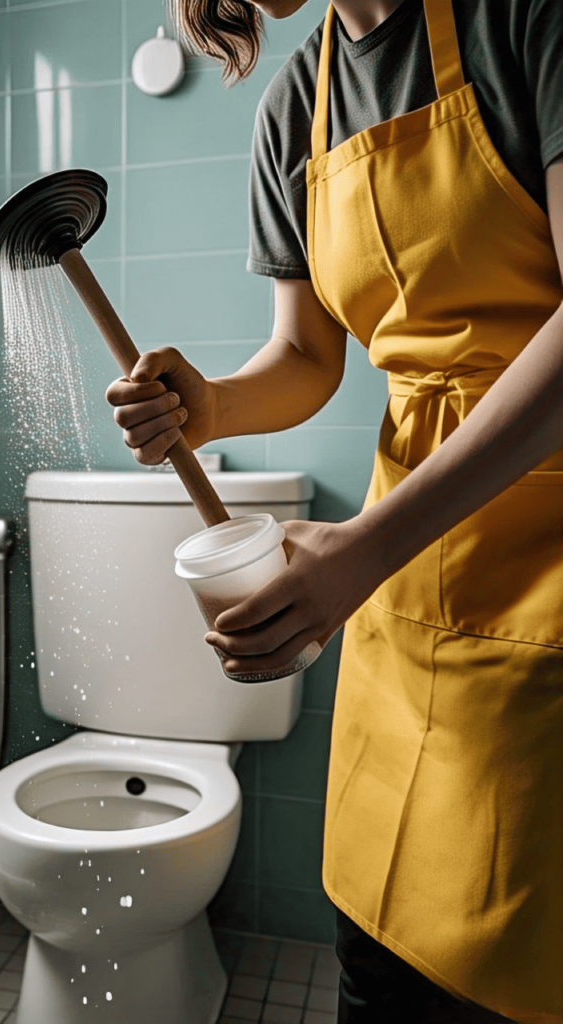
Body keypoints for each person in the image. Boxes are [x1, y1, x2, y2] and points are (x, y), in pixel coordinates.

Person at [105, 1, 563, 1021]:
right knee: (377, 954)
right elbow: (309, 355)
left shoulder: (524, 22)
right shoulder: (293, 108)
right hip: (399, 572)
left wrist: (363, 550)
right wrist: (210, 403)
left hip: (531, 563)